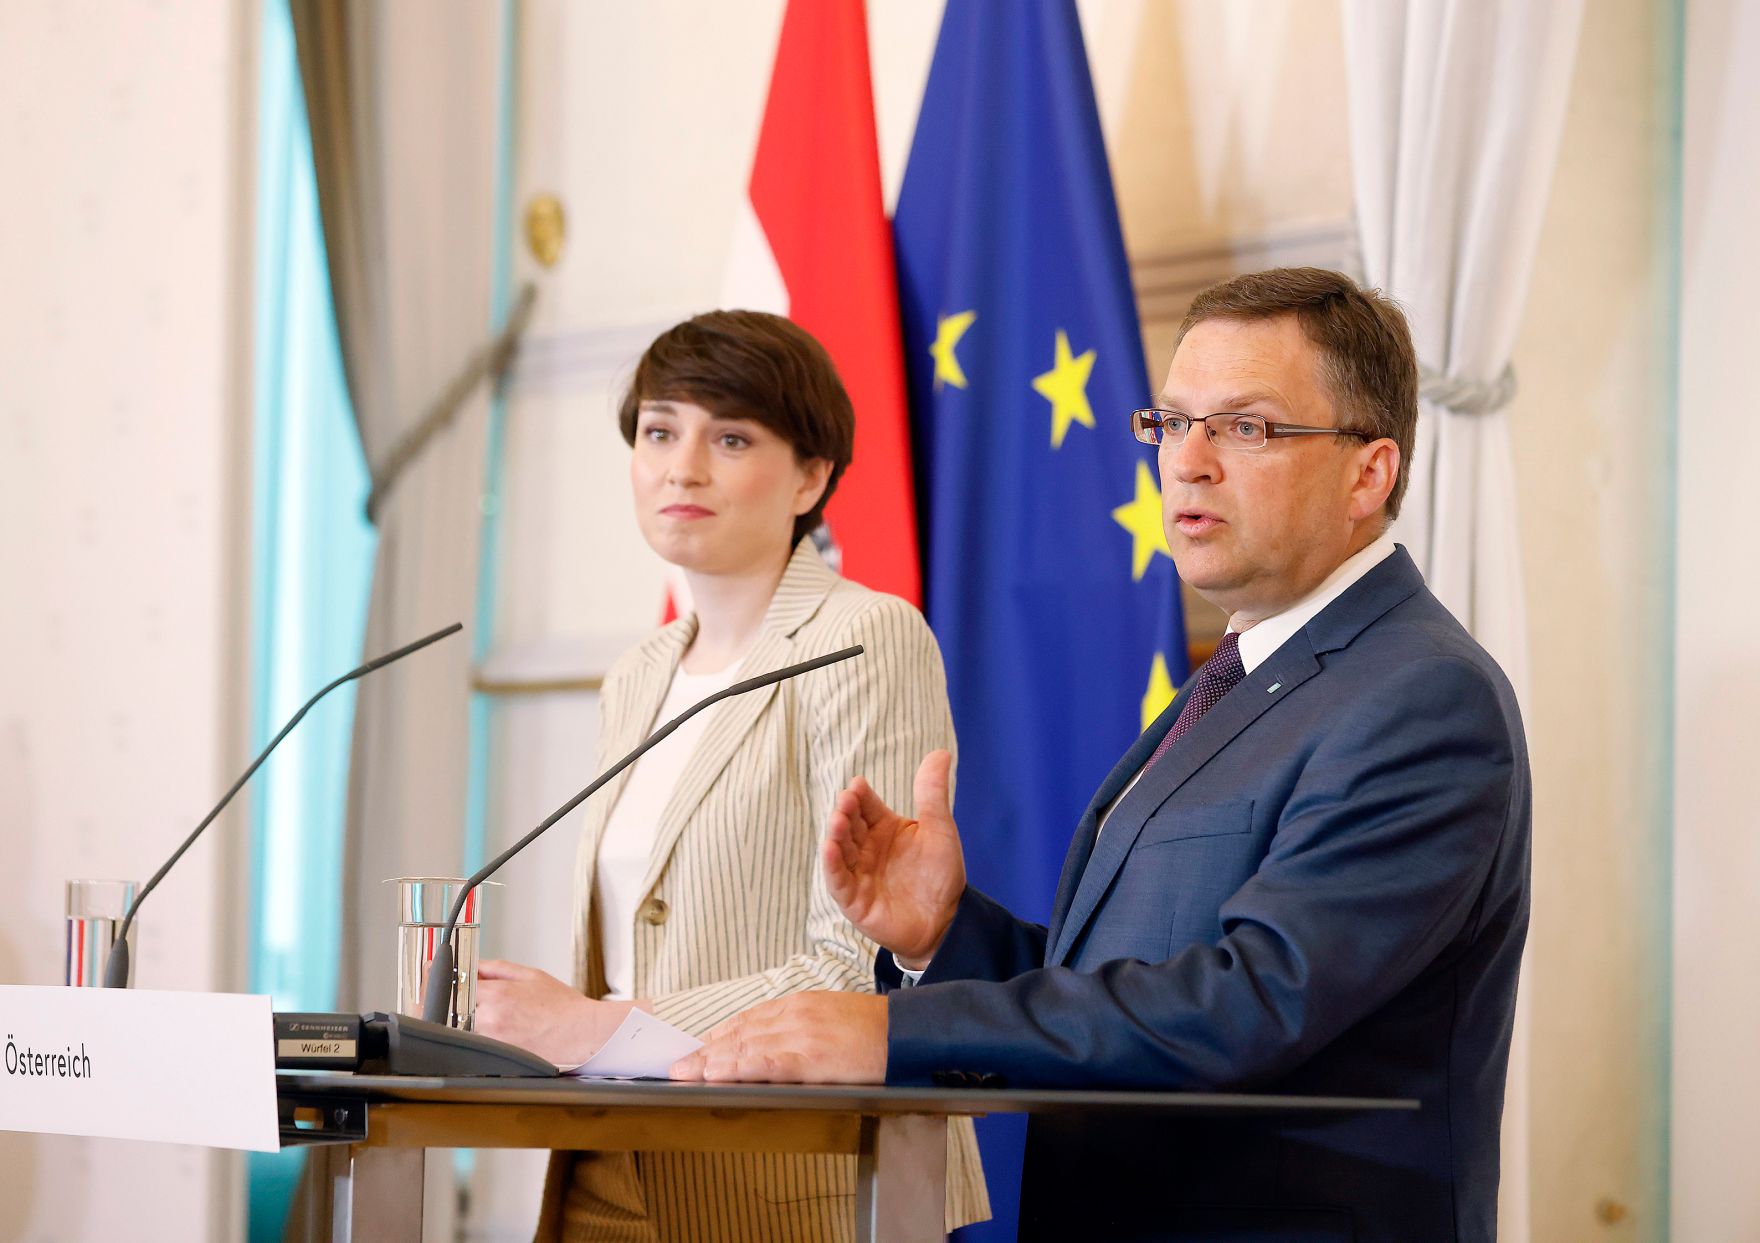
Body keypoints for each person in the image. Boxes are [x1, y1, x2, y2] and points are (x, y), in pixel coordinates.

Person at [673, 270, 1531, 1243]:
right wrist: (945, 936)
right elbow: (1134, 978)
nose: (1188, 462)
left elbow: (1251, 1002)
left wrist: (891, 1034)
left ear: (1367, 472)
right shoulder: (1241, 678)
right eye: (1170, 422)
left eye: (1244, 427)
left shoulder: (1419, 696)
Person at [472, 310, 988, 1240]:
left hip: (794, 1177)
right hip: (612, 1157)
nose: (683, 466)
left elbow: (859, 958)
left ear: (810, 476)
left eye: (732, 437)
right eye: (660, 430)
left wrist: (599, 1024)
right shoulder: (638, 674)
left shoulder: (860, 636)